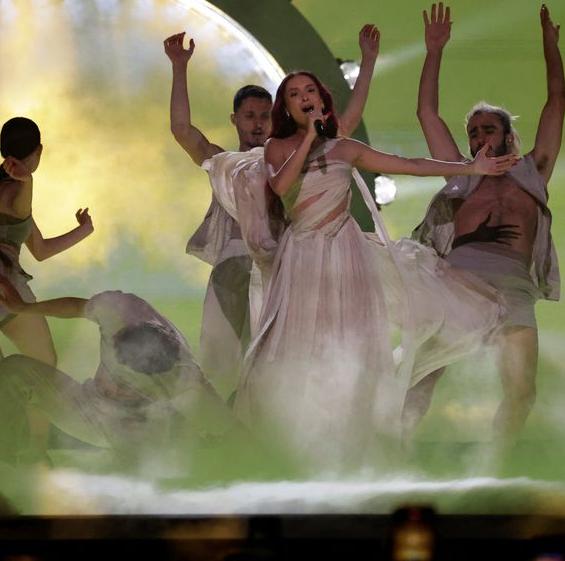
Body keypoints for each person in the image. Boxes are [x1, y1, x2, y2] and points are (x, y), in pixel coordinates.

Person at [207, 24, 509, 468]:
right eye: (295, 93)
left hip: (346, 253)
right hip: (304, 254)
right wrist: (309, 136)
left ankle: (353, 448)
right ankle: (289, 445)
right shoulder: (276, 147)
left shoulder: (344, 148)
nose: (304, 96)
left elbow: (409, 164)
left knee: (349, 344)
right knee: (296, 346)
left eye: (310, 89)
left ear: (321, 98)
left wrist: (472, 167)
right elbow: (281, 185)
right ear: (286, 107)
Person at [411, 2, 565, 451]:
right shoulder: (461, 174)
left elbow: (557, 103)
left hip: (513, 284)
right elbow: (427, 113)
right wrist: (434, 50)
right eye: (474, 131)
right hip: (458, 278)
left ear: (507, 136)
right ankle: (397, 445)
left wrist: (550, 44)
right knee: (422, 370)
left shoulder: (533, 170)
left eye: (489, 129)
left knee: (522, 391)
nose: (480, 137)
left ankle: (493, 463)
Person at [0, 117, 93, 452]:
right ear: (39, 150)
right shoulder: (15, 191)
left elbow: (39, 251)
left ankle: (1, 456)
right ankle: (39, 446)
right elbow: (21, 203)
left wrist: (84, 231)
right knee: (43, 367)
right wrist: (27, 182)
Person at [0, 276, 234, 466]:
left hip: (135, 427)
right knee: (14, 369)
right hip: (89, 407)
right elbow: (77, 307)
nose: (123, 377)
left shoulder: (184, 373)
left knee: (133, 487)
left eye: (134, 373)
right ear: (117, 337)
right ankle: (3, 459)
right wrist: (23, 307)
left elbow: (226, 428)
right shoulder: (118, 310)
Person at [163, 32, 275, 398]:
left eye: (264, 116)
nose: (257, 123)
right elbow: (182, 131)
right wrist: (180, 67)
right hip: (231, 262)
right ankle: (216, 434)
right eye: (249, 116)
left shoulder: (286, 165)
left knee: (266, 364)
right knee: (219, 362)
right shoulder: (223, 161)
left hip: (274, 268)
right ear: (235, 119)